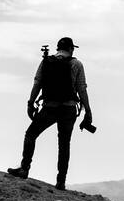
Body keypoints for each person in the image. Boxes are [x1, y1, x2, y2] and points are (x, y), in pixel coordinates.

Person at [7, 37, 94, 191]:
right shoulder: (77, 64)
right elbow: (82, 89)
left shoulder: (46, 61)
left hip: (50, 107)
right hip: (68, 109)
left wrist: (30, 103)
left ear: (57, 48)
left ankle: (24, 168)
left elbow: (37, 83)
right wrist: (88, 110)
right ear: (71, 49)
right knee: (64, 144)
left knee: (31, 134)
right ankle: (61, 181)